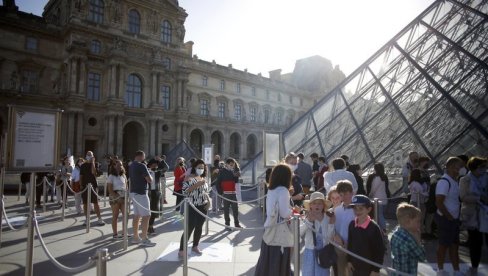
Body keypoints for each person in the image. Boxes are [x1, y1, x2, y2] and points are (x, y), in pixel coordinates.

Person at [254, 164, 295, 276]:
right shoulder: (283, 191)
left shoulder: (271, 189)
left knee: (267, 260)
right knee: (279, 261)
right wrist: (294, 211)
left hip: (269, 227)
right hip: (280, 230)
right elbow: (284, 212)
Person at [435, 157, 464, 275]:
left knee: (454, 245)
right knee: (443, 245)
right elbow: (439, 202)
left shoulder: (453, 180)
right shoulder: (444, 182)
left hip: (452, 219)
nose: (460, 169)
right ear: (451, 167)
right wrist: (449, 217)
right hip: (446, 219)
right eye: (458, 166)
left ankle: (456, 271)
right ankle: (440, 270)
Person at [459, 156, 488, 275]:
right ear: (474, 168)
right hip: (473, 215)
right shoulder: (465, 180)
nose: (484, 169)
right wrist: (479, 197)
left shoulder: (487, 177)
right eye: (482, 167)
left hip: (486, 213)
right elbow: (463, 197)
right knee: (475, 243)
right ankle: (474, 267)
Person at [347, 195, 385, 276]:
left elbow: (380, 251)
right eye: (355, 208)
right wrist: (349, 261)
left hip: (369, 270)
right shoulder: (352, 224)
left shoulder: (374, 228)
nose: (357, 211)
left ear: (369, 209)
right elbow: (349, 244)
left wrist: (376, 269)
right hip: (355, 267)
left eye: (361, 208)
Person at [178, 159, 210, 258]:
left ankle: (195, 245)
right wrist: (196, 185)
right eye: (199, 167)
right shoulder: (189, 178)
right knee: (189, 228)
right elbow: (184, 192)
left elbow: (205, 192)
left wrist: (208, 201)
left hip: (203, 205)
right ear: (194, 168)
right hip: (192, 206)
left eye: (202, 167)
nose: (200, 169)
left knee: (199, 227)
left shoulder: (202, 177)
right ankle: (182, 249)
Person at [301, 192, 335, 276]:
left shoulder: (327, 218)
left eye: (320, 203)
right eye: (314, 203)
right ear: (310, 206)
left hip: (323, 252)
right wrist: (309, 221)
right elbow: (299, 232)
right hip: (310, 251)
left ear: (323, 205)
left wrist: (331, 224)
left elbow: (330, 237)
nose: (317, 206)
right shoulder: (307, 217)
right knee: (309, 273)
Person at [390, 203, 426, 275]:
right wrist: (418, 240)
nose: (420, 224)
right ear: (409, 221)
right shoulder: (408, 239)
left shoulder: (395, 233)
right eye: (418, 221)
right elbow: (422, 257)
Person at [129, 150, 155, 247]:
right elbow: (149, 179)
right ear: (140, 156)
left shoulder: (131, 165)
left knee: (137, 215)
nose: (144, 158)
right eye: (144, 156)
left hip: (133, 192)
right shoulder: (141, 166)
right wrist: (150, 174)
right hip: (141, 192)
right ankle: (144, 238)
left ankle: (136, 237)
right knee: (146, 215)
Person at [333, 180, 356, 276]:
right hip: (340, 246)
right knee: (341, 271)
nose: (345, 197)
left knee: (353, 270)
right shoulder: (337, 210)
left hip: (353, 246)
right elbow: (334, 227)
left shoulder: (357, 210)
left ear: (352, 193)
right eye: (342, 195)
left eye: (347, 193)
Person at [212, 158, 242, 229]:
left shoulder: (234, 171)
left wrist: (237, 176)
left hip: (233, 193)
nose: (232, 166)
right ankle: (227, 224)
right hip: (225, 194)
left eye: (233, 165)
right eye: (230, 165)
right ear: (227, 164)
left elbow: (235, 182)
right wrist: (220, 192)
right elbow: (218, 183)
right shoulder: (222, 172)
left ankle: (236, 223)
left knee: (235, 209)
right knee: (226, 209)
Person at [80, 151, 105, 226]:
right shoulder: (83, 165)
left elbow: (94, 172)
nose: (88, 156)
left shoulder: (96, 164)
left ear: (93, 156)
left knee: (95, 203)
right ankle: (87, 219)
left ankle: (99, 218)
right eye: (87, 155)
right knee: (85, 203)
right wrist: (81, 185)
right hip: (85, 186)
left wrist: (93, 162)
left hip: (93, 186)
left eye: (90, 155)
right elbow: (81, 176)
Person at [107, 159, 128, 239]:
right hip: (115, 196)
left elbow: (126, 186)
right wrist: (116, 197)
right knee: (115, 215)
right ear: (114, 166)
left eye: (121, 165)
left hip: (123, 195)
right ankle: (115, 234)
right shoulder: (111, 176)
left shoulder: (123, 175)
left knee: (125, 214)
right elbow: (110, 189)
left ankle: (124, 233)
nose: (120, 167)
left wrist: (127, 195)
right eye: (118, 165)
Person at [366, 162, 389, 233]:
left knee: (379, 215)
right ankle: (382, 229)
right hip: (384, 198)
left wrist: (369, 195)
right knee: (381, 215)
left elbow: (373, 189)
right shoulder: (384, 177)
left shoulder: (377, 178)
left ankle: (383, 230)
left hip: (377, 199)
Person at [147, 158, 164, 234]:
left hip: (156, 192)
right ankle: (147, 226)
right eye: (153, 165)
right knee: (148, 211)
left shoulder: (158, 172)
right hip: (148, 192)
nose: (155, 166)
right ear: (150, 165)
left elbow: (166, 167)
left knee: (154, 210)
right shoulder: (146, 172)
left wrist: (161, 161)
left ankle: (150, 226)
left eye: (156, 165)